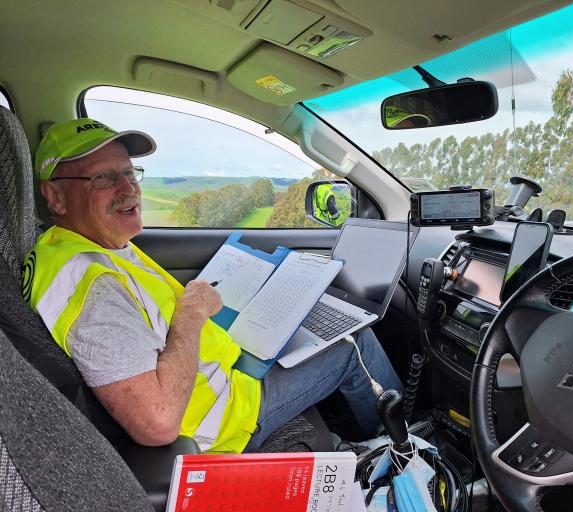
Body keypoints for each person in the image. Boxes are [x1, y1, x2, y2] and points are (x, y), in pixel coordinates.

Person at [24, 118, 403, 453]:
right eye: (103, 178)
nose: (127, 188)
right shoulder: (94, 289)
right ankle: (404, 447)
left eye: (129, 172)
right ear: (55, 195)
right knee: (353, 343)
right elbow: (157, 422)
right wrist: (191, 313)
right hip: (222, 424)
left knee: (305, 332)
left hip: (221, 379)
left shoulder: (71, 247)